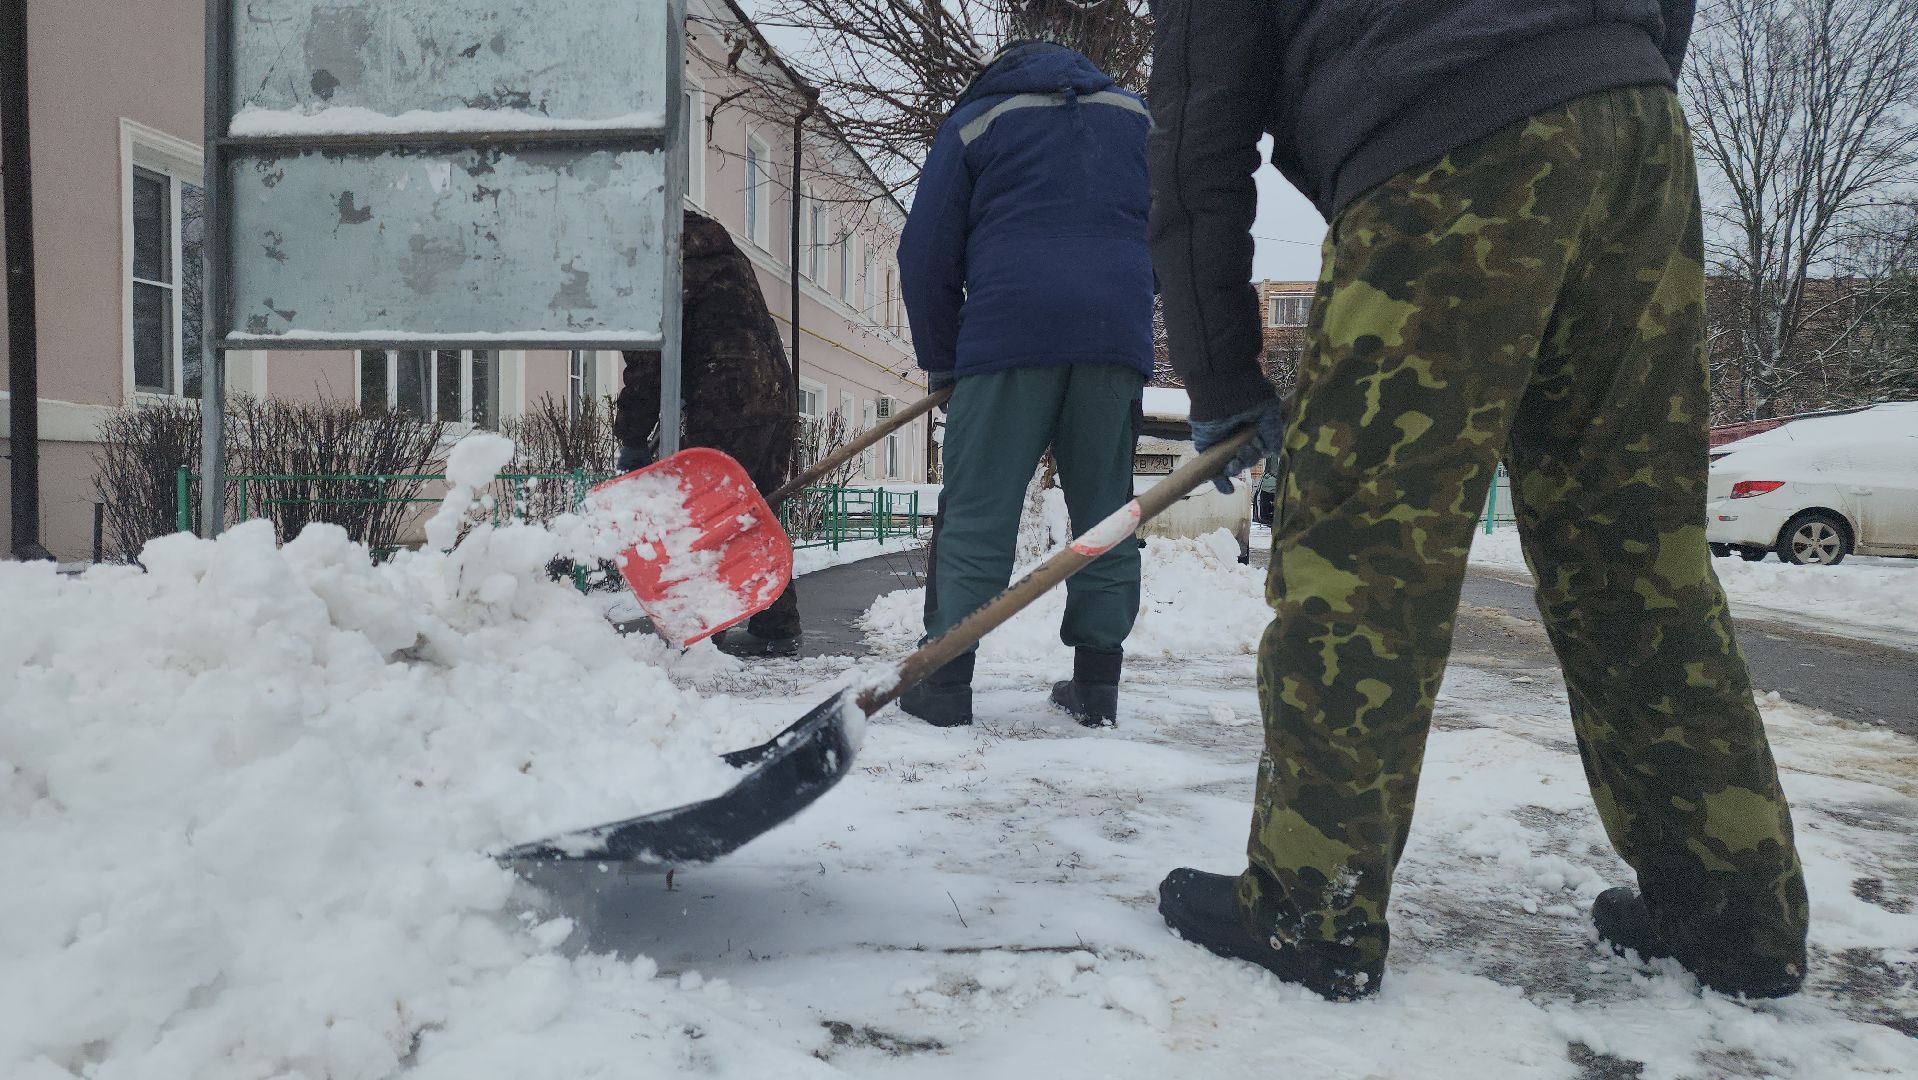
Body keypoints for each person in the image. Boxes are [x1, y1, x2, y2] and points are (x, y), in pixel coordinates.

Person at [1146, 0, 1809, 1001]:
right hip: (1635, 134)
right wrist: (1601, 60)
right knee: (1636, 556)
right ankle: (1734, 917)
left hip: (1442, 142)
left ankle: (1310, 907)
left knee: (1360, 555)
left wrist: (1223, 381)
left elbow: (1199, 142)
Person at [895, 1, 1153, 729]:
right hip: (1112, 341)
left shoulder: (978, 118)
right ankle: (1097, 686)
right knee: (1108, 511)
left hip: (1006, 337)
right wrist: (1123, 306)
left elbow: (924, 253)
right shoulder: (1135, 119)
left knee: (978, 513)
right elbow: (1170, 227)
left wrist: (945, 365)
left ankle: (943, 685)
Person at [617, 208, 802, 658]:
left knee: (708, 516)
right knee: (749, 510)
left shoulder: (663, 259)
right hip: (777, 393)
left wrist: (631, 436)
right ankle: (776, 623)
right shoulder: (718, 250)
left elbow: (650, 356)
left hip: (728, 395)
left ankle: (700, 637)